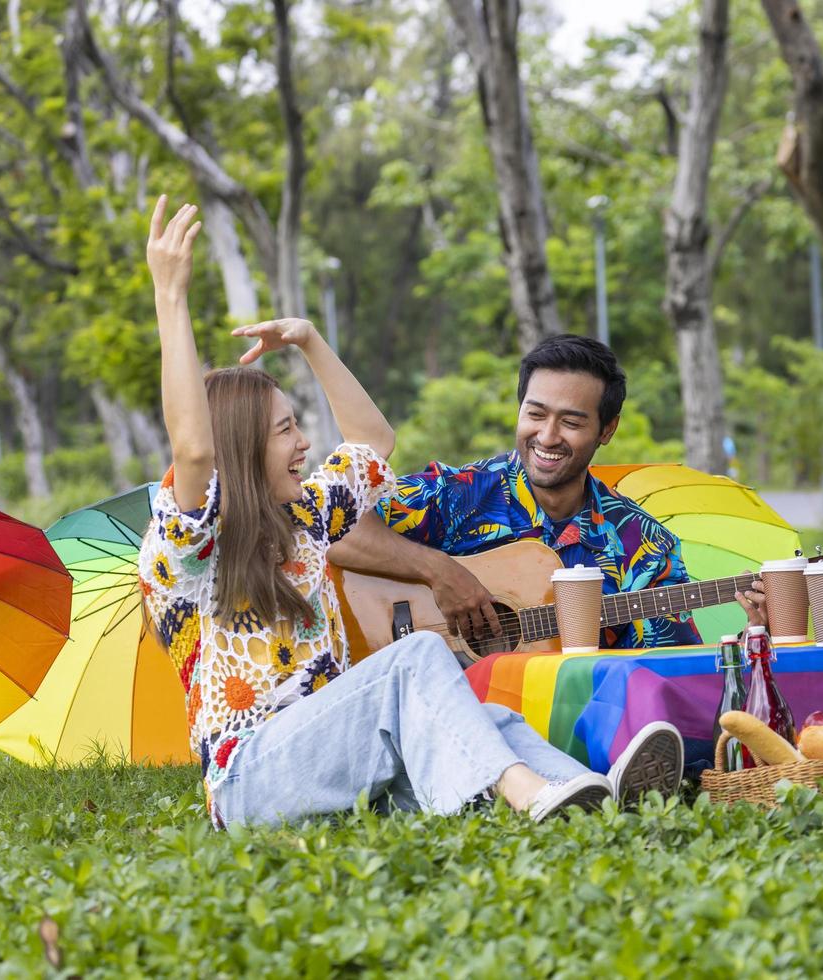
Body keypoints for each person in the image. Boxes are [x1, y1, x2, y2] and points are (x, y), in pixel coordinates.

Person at [136, 197, 676, 828]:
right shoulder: (189, 549)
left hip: (335, 769)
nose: (305, 445)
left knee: (484, 713)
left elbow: (375, 440)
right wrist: (170, 295)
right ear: (242, 447)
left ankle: (589, 791)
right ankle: (530, 793)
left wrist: (310, 340)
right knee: (419, 654)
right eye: (286, 431)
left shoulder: (306, 520)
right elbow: (194, 447)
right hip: (251, 780)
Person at [329, 335, 767, 647]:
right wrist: (439, 570)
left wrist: (755, 639)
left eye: (572, 423)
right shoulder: (463, 493)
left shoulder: (643, 546)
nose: (548, 436)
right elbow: (331, 527)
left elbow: (668, 675)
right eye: (535, 413)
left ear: (607, 430)